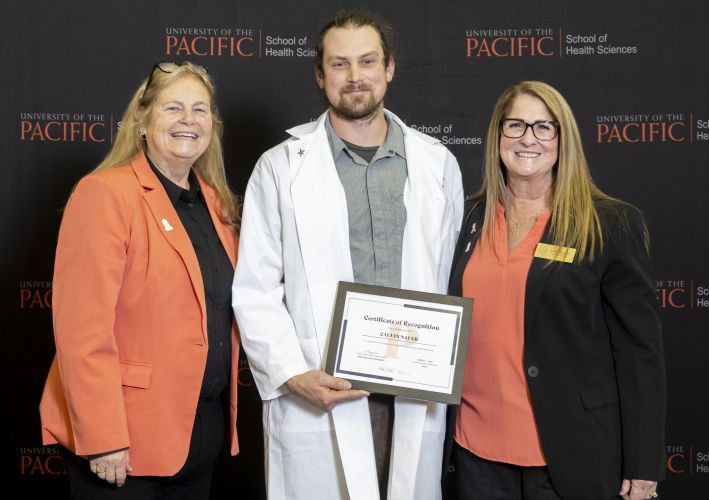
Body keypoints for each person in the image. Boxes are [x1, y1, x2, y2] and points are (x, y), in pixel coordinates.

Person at [232, 11, 463, 500]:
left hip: (413, 389)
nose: (355, 76)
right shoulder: (279, 168)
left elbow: (447, 277)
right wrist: (293, 375)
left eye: (367, 61)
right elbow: (255, 287)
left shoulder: (437, 164)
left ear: (389, 68)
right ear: (320, 75)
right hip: (321, 387)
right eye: (339, 64)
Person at [443, 81, 666, 500]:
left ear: (563, 140)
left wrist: (643, 462)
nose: (528, 138)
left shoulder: (610, 224)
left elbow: (640, 354)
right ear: (497, 137)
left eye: (544, 127)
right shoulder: (466, 217)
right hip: (475, 452)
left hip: (571, 451)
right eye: (515, 125)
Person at [39, 61, 241, 499]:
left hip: (198, 433)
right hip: (126, 441)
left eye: (200, 110)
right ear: (143, 121)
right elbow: (82, 333)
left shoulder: (217, 203)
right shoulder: (105, 195)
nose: (188, 120)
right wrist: (103, 436)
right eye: (173, 107)